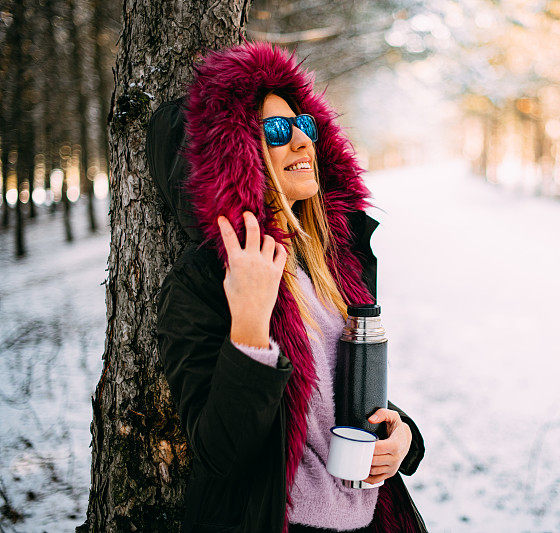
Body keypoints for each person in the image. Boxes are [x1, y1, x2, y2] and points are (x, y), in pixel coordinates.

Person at [146, 41, 427, 533]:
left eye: (304, 124)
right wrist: (251, 326)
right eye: (275, 131)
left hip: (373, 518)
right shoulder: (203, 282)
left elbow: (331, 397)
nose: (300, 140)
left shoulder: (333, 260)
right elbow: (221, 454)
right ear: (236, 156)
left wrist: (403, 438)